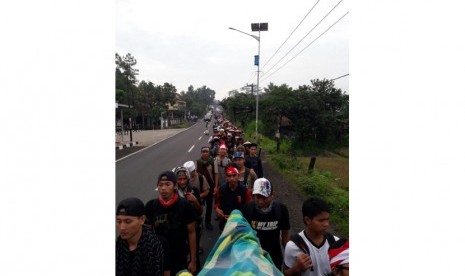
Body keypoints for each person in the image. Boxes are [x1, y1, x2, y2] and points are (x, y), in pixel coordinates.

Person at [145, 171, 198, 275]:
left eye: (167, 184)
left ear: (175, 186)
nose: (163, 188)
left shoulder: (184, 205)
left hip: (180, 255)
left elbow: (191, 232)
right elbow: (148, 235)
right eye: (160, 185)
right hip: (160, 256)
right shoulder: (151, 206)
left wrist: (193, 260)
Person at [242, 178, 291, 271]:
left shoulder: (281, 209)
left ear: (272, 195)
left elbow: (285, 234)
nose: (260, 201)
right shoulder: (247, 208)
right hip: (253, 256)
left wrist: (289, 255)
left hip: (273, 257)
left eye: (264, 197)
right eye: (257, 197)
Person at [283, 197, 339, 276]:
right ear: (307, 220)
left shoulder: (336, 243)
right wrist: (296, 269)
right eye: (321, 220)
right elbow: (285, 273)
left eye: (327, 219)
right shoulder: (293, 246)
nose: (326, 224)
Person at [116, 197, 165, 276]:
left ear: (142, 219)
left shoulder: (156, 245)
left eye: (128, 221)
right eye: (119, 221)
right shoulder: (117, 247)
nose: (122, 227)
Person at [174, 166, 203, 275]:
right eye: (179, 179)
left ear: (187, 178)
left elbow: (200, 211)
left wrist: (195, 200)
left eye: (184, 179)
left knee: (194, 255)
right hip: (179, 231)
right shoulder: (173, 193)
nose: (182, 182)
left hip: (194, 229)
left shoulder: (194, 190)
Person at [215, 165, 252, 231]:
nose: (232, 178)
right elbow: (217, 204)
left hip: (240, 224)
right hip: (225, 223)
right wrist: (218, 210)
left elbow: (250, 208)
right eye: (229, 176)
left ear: (238, 176)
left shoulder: (245, 191)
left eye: (234, 175)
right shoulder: (221, 190)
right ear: (226, 177)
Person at [196, 146, 217, 231]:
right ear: (201, 153)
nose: (205, 153)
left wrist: (215, 186)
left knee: (209, 205)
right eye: (203, 152)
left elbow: (215, 174)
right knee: (199, 205)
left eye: (206, 152)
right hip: (201, 187)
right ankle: (199, 221)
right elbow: (196, 173)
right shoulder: (197, 162)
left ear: (209, 153)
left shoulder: (213, 161)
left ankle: (207, 221)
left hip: (210, 186)